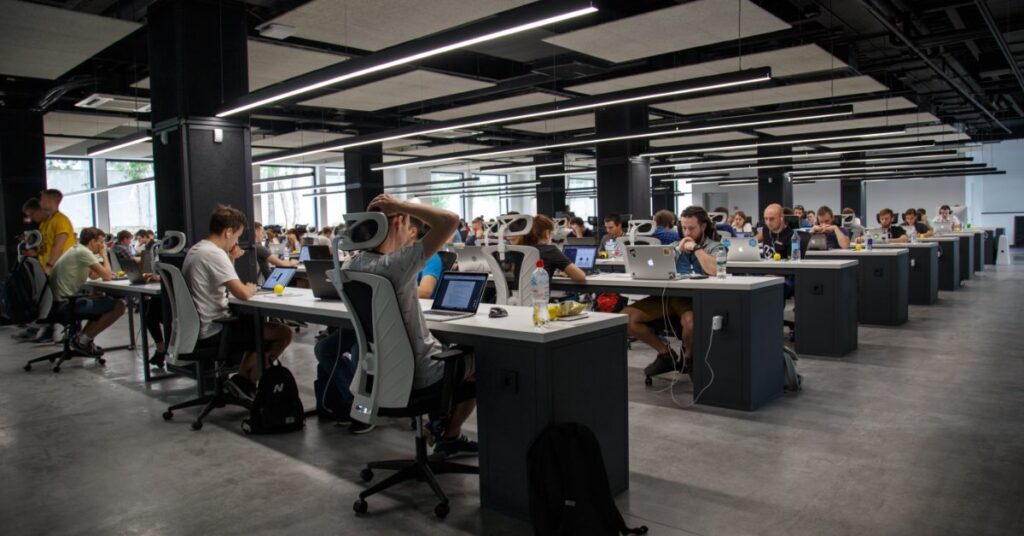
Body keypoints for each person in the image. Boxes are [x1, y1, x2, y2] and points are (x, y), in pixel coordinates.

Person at [343, 194, 477, 457]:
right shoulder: (396, 264)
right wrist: (401, 206)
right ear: (396, 225)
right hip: (422, 373)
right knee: (484, 359)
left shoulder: (352, 265)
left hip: (381, 373)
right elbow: (450, 220)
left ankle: (438, 422)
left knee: (449, 352)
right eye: (405, 223)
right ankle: (449, 434)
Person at [183, 206, 293, 401]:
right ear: (228, 232)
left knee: (255, 327)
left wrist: (231, 258)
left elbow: (223, 280)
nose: (236, 242)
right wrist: (251, 288)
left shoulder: (198, 249)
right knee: (283, 332)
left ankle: (241, 382)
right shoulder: (214, 254)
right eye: (237, 236)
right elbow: (242, 293)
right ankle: (244, 382)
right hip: (215, 330)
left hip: (198, 329)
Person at [623, 206, 721, 378]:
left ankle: (689, 358)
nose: (687, 231)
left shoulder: (715, 246)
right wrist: (677, 251)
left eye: (692, 228)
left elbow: (714, 270)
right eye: (684, 227)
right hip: (669, 297)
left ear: (703, 226)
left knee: (690, 323)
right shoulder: (675, 246)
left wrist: (696, 248)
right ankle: (665, 353)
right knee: (626, 318)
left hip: (694, 299)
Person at [50, 227, 127, 356]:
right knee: (119, 306)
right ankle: (82, 341)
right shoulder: (84, 253)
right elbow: (107, 276)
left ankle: (82, 339)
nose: (102, 245)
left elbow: (92, 275)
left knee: (100, 301)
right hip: (65, 305)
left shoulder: (77, 250)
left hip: (61, 302)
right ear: (92, 241)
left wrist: (103, 271)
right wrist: (104, 255)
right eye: (101, 242)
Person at [514, 214, 586, 282]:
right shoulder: (550, 250)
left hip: (516, 294)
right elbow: (580, 276)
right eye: (552, 233)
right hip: (540, 294)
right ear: (547, 233)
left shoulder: (517, 250)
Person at [38, 189, 74, 275]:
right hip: (47, 270)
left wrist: (49, 266)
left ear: (49, 201)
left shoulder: (61, 220)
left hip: (60, 270)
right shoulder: (44, 222)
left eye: (42, 199)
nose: (40, 202)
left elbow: (58, 246)